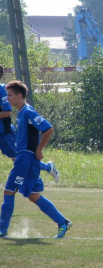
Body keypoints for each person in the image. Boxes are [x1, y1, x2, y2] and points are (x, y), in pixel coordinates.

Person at [0, 81, 71, 239]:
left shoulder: (28, 112)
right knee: (33, 196)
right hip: (25, 158)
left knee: (9, 191)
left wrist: (39, 149)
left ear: (19, 95)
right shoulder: (21, 113)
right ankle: (62, 222)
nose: (7, 98)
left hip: (26, 158)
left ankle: (2, 229)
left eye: (10, 95)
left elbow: (48, 128)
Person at [0, 65, 60, 182]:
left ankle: (47, 169)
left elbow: (7, 112)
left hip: (4, 133)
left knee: (20, 161)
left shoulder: (2, 90)